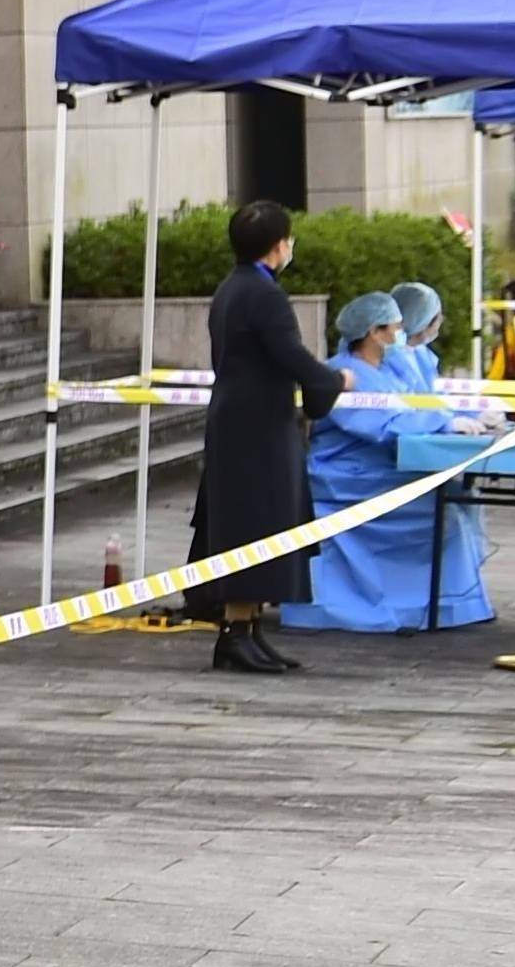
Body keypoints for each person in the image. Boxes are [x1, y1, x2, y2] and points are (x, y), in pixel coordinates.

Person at [192, 199, 350, 675]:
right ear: (278, 246)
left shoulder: (232, 288)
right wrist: (333, 380)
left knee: (255, 523)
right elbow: (289, 353)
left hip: (243, 420)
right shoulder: (264, 296)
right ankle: (236, 634)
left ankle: (249, 630)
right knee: (254, 524)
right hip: (256, 427)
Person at [281, 291, 490, 631]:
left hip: (379, 467)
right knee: (445, 506)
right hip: (348, 475)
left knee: (456, 496)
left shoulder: (386, 369)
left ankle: (446, 602)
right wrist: (444, 423)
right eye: (394, 328)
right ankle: (426, 604)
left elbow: (419, 404)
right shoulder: (347, 373)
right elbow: (385, 424)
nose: (400, 335)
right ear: (374, 333)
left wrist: (464, 414)